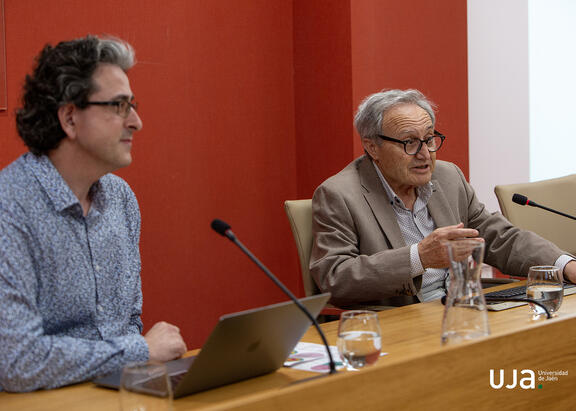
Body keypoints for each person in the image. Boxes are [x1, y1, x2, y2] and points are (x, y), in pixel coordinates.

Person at [0, 35, 187, 392]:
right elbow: (16, 361)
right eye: (119, 106)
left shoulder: (121, 199)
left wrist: (137, 360)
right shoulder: (9, 207)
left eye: (133, 105)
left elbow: (127, 321)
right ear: (70, 118)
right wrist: (139, 350)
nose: (136, 121)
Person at [310, 88, 576, 308]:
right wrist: (419, 258)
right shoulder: (340, 194)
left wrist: (565, 265)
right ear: (372, 147)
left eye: (429, 139)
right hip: (404, 323)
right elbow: (335, 276)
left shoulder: (448, 177)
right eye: (409, 143)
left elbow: (498, 237)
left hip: (464, 309)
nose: (425, 154)